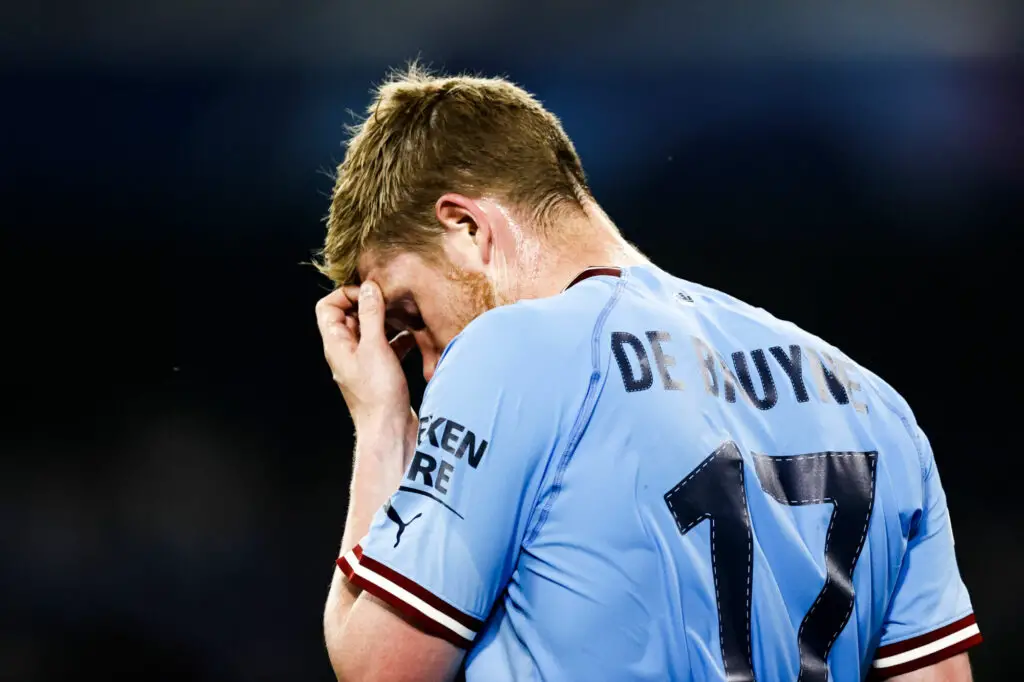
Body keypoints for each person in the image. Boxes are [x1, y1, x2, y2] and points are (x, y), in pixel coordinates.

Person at [313, 65, 981, 682]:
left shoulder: (506, 352)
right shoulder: (872, 402)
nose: (429, 367)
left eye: (411, 317)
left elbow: (379, 670)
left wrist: (382, 428)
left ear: (466, 226)